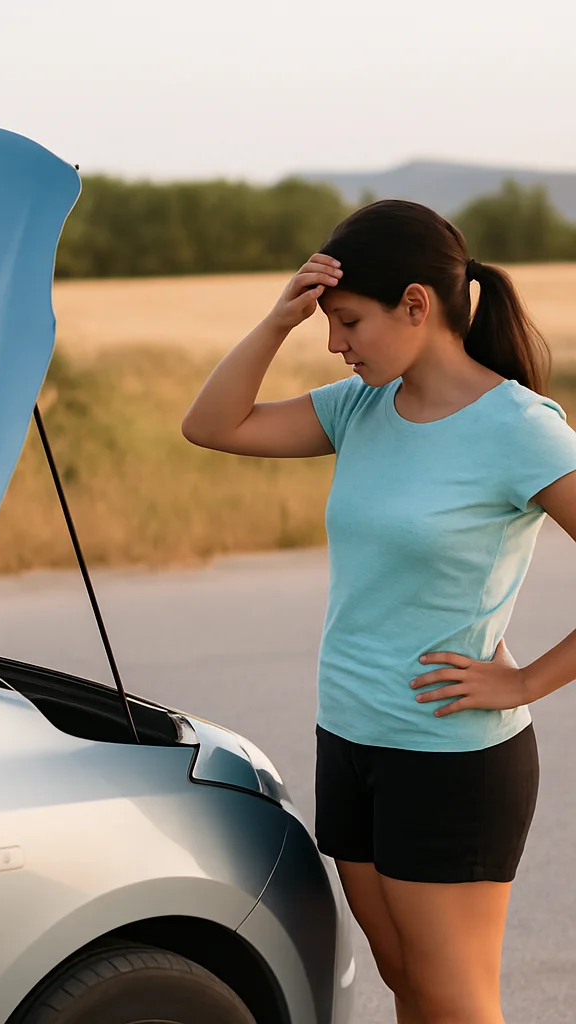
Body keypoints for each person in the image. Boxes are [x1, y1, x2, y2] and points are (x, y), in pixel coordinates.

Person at [181, 199, 576, 1024]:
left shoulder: (520, 429)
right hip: (353, 737)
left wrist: (528, 681)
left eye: (348, 321)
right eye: (327, 323)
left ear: (417, 306)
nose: (336, 343)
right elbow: (211, 425)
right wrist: (276, 320)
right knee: (409, 986)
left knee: (455, 1000)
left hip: (450, 757)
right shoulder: (359, 409)